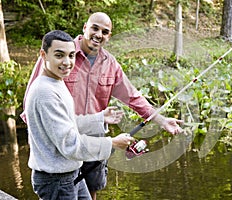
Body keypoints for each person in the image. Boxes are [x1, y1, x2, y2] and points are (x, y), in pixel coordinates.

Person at [22, 12, 184, 200]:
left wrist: (161, 120)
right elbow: (31, 108)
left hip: (93, 139)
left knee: (91, 190)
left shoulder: (110, 64)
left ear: (109, 36)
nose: (99, 34)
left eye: (105, 31)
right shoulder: (55, 56)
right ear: (85, 28)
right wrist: (41, 144)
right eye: (95, 28)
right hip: (62, 147)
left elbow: (133, 97)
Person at [25, 30, 134, 200]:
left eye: (71, 55)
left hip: (70, 173)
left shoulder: (55, 82)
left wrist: (99, 118)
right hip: (56, 181)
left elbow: (66, 124)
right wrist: (112, 143)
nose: (67, 62)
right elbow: (70, 144)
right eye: (59, 55)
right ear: (43, 55)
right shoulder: (45, 92)